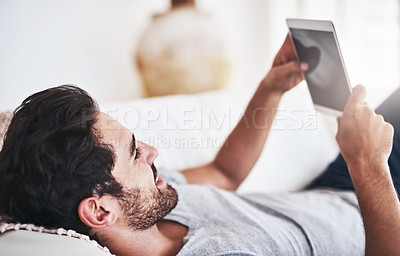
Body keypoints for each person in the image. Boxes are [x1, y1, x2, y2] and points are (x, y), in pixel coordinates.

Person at [0, 35, 395, 256]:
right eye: (135, 152)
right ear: (100, 211)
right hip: (382, 210)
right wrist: (369, 166)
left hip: (337, 186)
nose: (152, 152)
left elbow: (224, 173)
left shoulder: (152, 201)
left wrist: (272, 86)